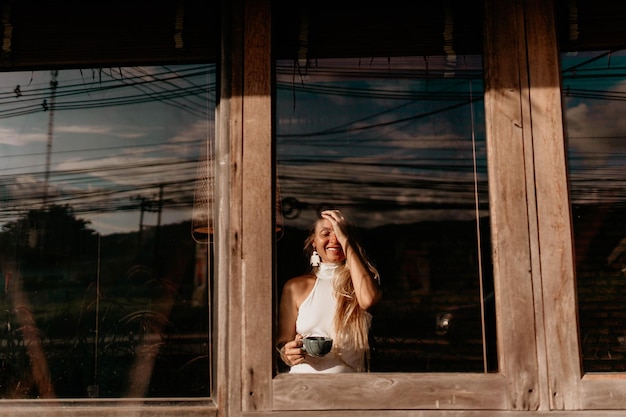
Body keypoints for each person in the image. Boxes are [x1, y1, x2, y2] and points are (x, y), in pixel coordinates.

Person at [276, 209, 381, 373]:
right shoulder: (295, 287)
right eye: (326, 233)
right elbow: (283, 341)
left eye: (339, 233)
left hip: (349, 389)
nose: (334, 239)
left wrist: (346, 241)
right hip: (303, 387)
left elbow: (368, 299)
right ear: (313, 241)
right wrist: (287, 353)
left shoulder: (361, 283)